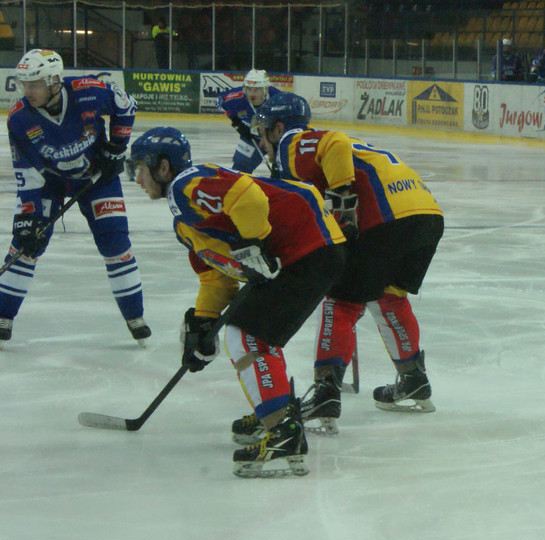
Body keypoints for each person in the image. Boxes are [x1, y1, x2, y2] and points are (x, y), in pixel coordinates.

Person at [125, 126, 346, 478]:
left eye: (138, 168)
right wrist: (203, 323)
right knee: (251, 332)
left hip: (307, 247)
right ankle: (275, 413)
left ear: (163, 167)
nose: (135, 178)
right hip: (304, 252)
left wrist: (253, 243)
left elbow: (249, 198)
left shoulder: (186, 184)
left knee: (247, 336)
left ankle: (283, 433)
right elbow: (215, 275)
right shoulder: (184, 222)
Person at [253, 92, 444, 434]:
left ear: (278, 127)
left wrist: (343, 202)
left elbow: (335, 143)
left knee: (340, 302)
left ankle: (326, 392)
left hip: (384, 216)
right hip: (425, 214)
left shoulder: (291, 142)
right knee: (389, 296)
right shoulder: (310, 151)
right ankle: (413, 379)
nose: (262, 140)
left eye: (264, 130)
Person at [1, 48, 149, 349]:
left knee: (115, 244)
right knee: (26, 243)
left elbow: (126, 105)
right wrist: (28, 219)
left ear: (54, 81)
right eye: (24, 84)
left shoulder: (88, 92)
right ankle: (3, 316)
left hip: (97, 178)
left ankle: (135, 316)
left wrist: (116, 147)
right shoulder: (18, 119)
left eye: (35, 84)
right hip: (48, 183)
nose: (27, 91)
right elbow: (27, 173)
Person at [218, 69, 281, 173]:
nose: (251, 93)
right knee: (240, 166)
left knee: (282, 168)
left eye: (256, 90)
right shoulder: (236, 98)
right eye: (249, 89)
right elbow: (220, 102)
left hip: (275, 136)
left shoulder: (278, 98)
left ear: (265, 89)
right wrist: (237, 124)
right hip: (251, 136)